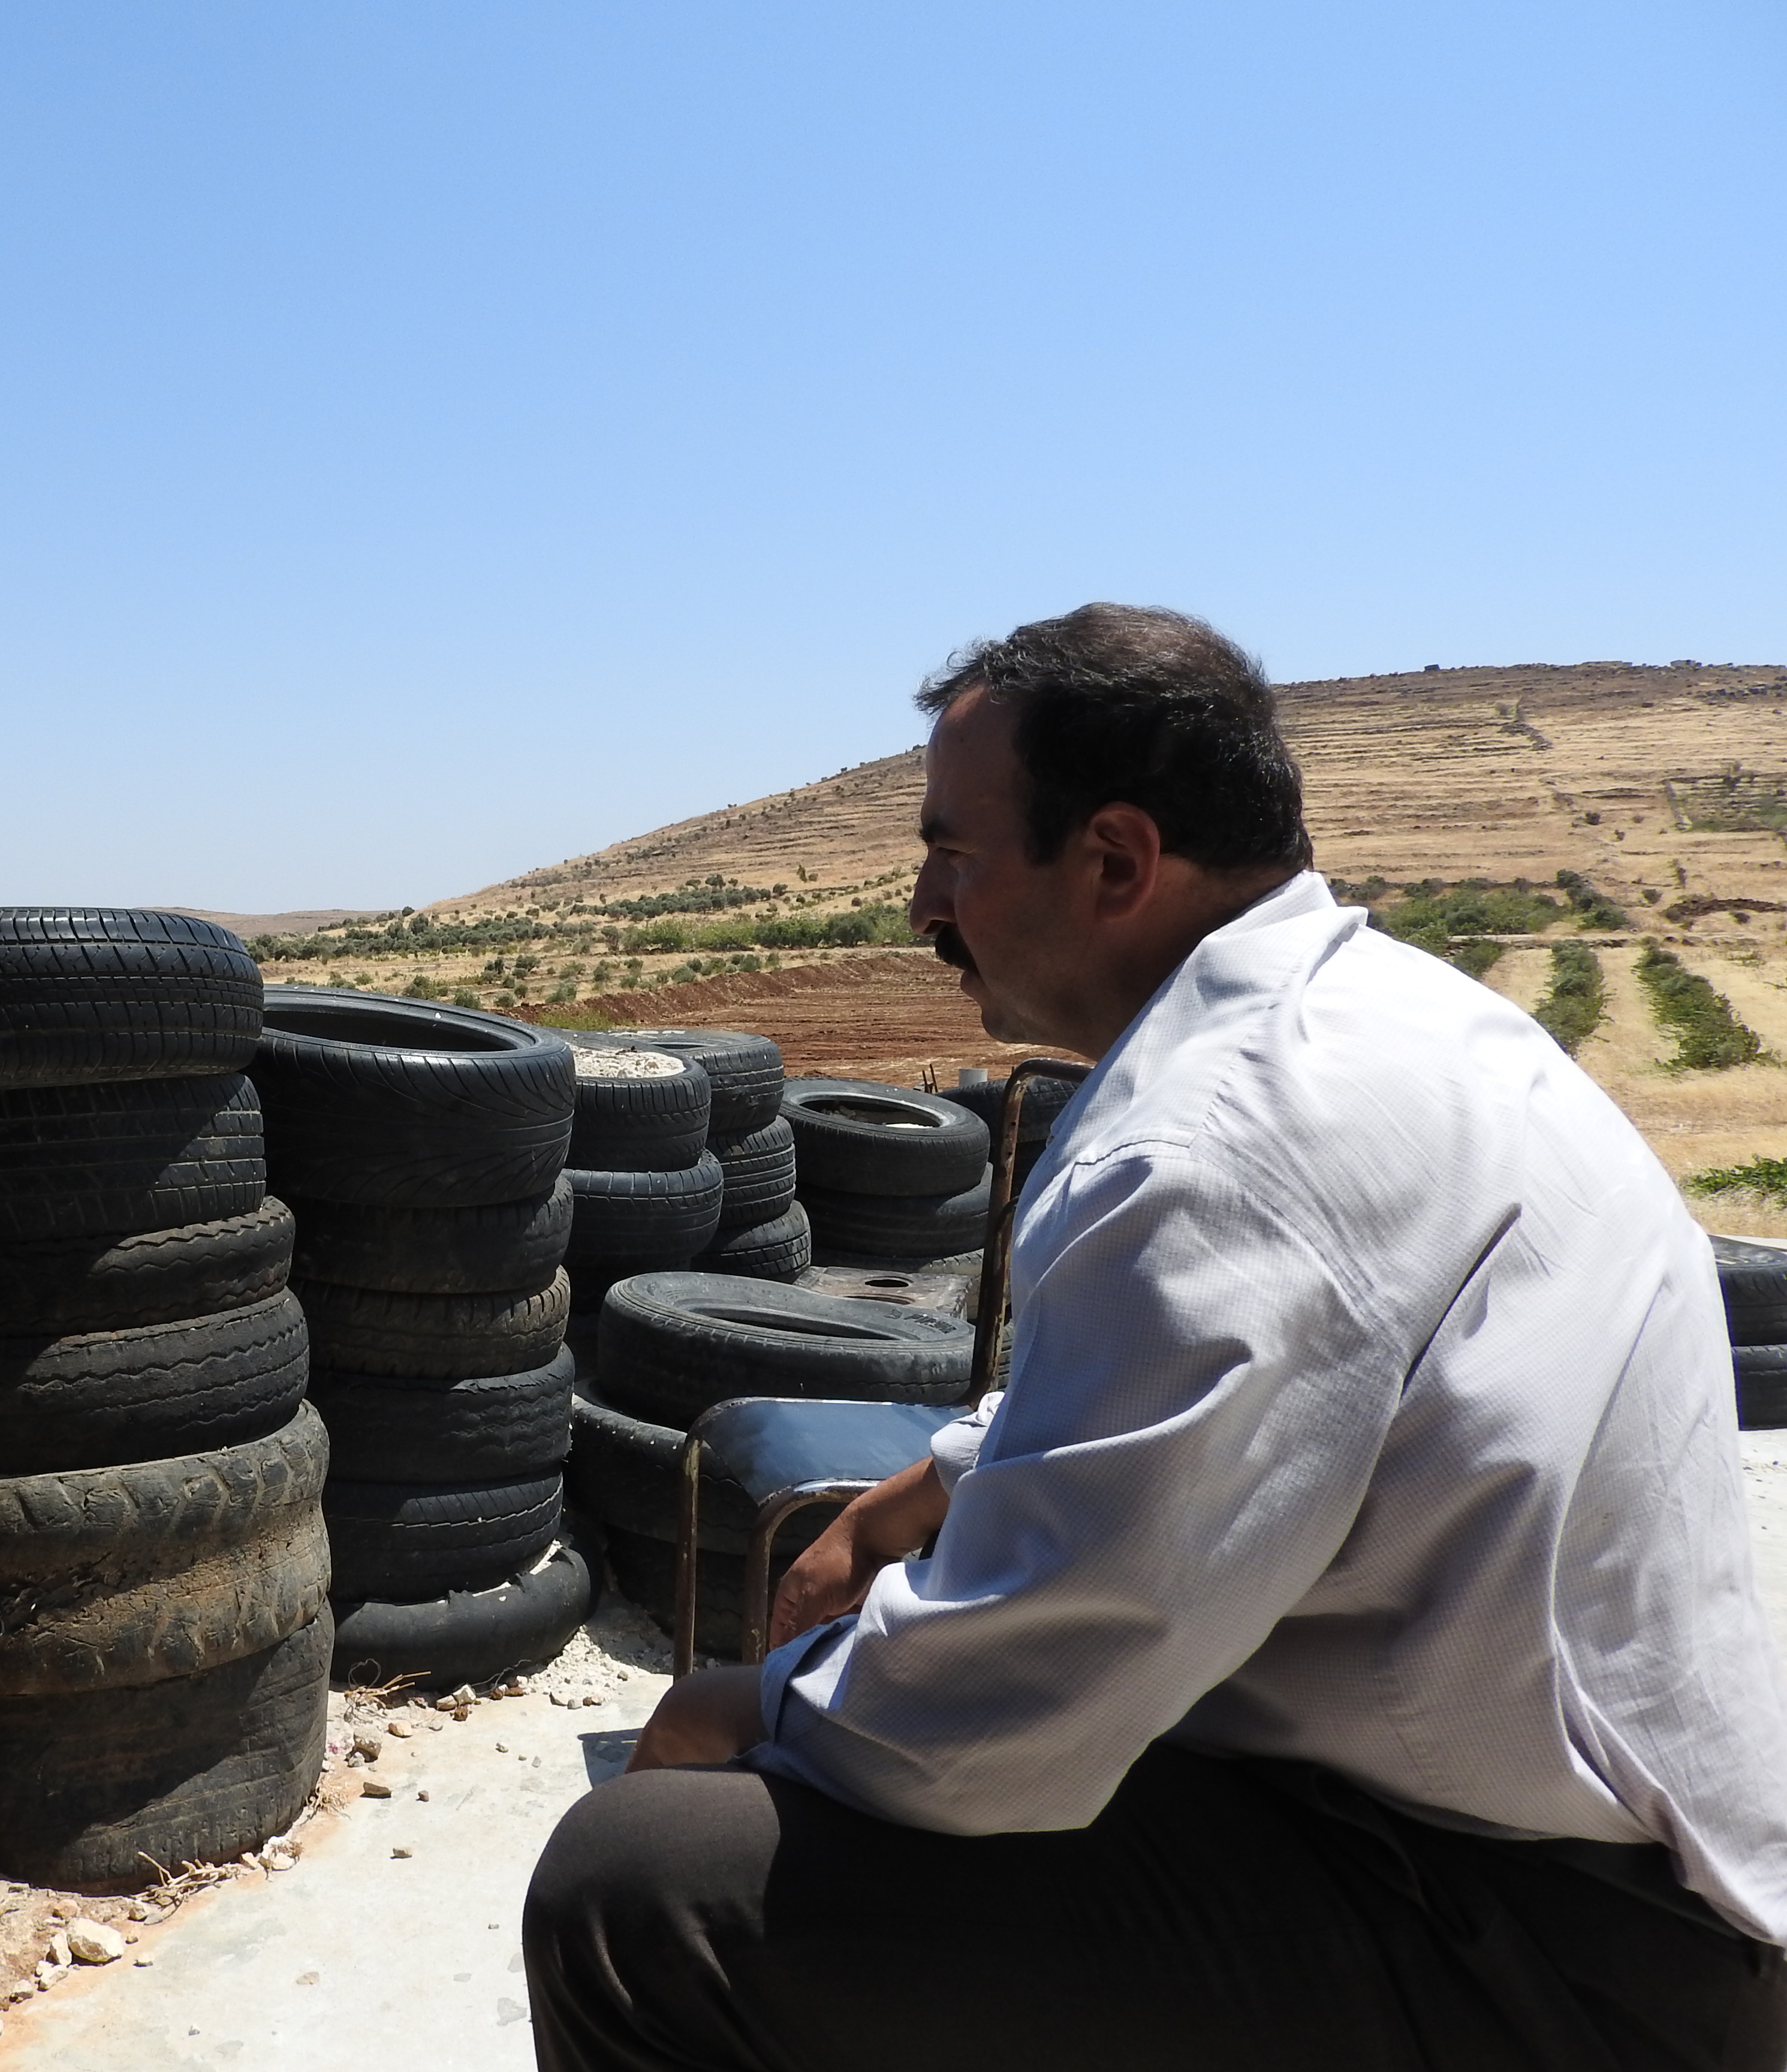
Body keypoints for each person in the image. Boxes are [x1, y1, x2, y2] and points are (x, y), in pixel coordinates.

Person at [523, 604, 1787, 2071]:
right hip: (1582, 1872)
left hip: (1555, 1957)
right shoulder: (1373, 1021)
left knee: (643, 1886)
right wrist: (916, 1493)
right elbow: (1211, 1391)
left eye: (954, 854)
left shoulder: (1218, 1143)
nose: (922, 908)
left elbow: (996, 1722)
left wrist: (742, 1705)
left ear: (1116, 859)